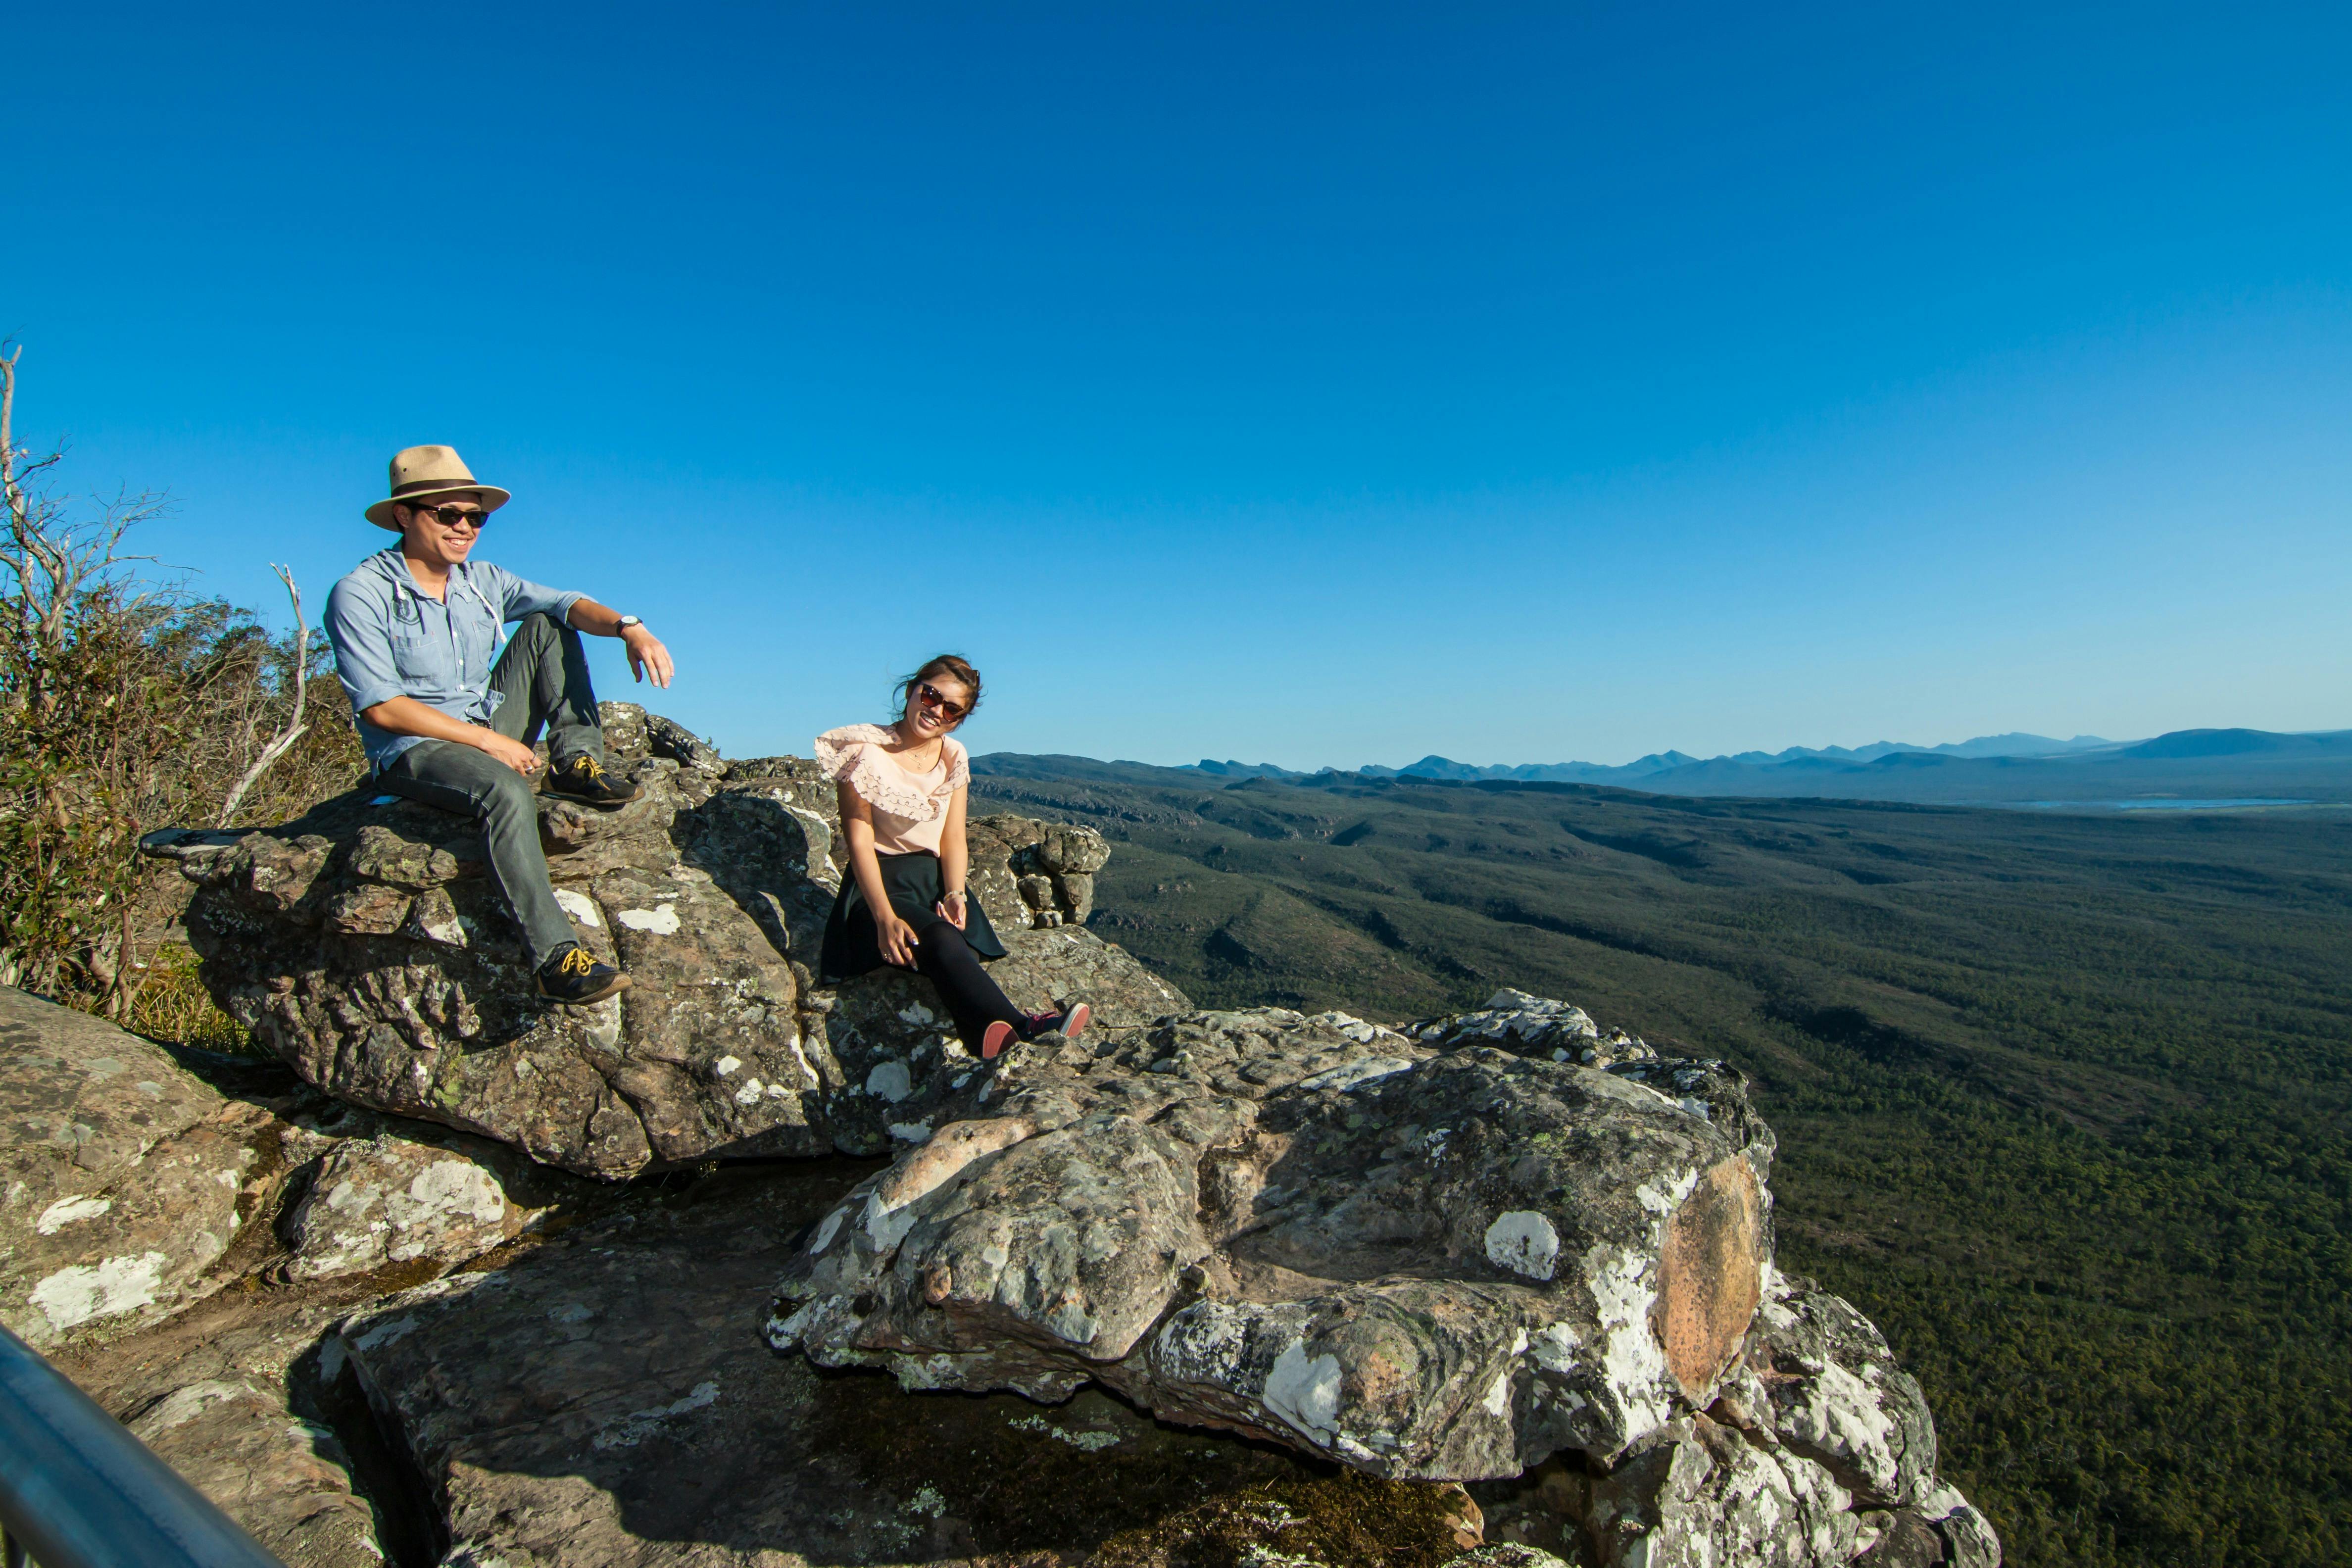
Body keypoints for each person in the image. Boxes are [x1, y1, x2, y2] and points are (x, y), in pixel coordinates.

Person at [324, 445, 674, 1009]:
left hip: (484, 721)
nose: (464, 527)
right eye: (447, 514)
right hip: (415, 747)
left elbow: (567, 603)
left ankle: (576, 763)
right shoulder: (361, 593)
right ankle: (555, 959)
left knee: (548, 624)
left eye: (475, 517)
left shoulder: (481, 581)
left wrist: (630, 627)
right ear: (404, 516)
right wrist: (490, 742)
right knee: (505, 790)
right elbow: (382, 708)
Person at [816, 655, 1088, 1059]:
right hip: (878, 887)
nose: (936, 711)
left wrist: (956, 892)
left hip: (932, 883)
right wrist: (884, 919)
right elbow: (859, 844)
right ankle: (1025, 1026)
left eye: (952, 708)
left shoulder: (953, 756)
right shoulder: (863, 753)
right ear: (912, 690)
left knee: (952, 947)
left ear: (959, 719)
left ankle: (982, 1036)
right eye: (931, 695)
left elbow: (953, 837)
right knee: (940, 941)